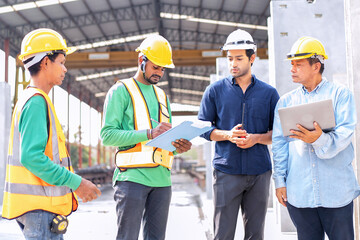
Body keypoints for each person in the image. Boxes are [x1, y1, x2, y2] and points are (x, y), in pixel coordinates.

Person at [2, 28, 101, 239]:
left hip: (38, 209)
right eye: (62, 62)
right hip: (40, 211)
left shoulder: (33, 99)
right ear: (46, 62)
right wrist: (77, 183)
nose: (65, 69)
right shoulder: (36, 102)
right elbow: (32, 158)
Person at [100, 34, 192, 240]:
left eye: (163, 69)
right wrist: (148, 133)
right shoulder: (120, 91)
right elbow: (107, 136)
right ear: (141, 60)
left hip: (162, 181)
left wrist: (179, 145)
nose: (159, 73)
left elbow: (165, 139)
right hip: (131, 179)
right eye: (155, 67)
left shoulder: (162, 96)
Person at [272, 36, 360, 240]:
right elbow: (279, 145)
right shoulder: (285, 102)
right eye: (291, 64)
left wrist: (318, 139)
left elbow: (345, 133)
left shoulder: (341, 95)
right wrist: (279, 181)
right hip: (300, 194)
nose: (292, 69)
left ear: (316, 66)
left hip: (336, 193)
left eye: (298, 64)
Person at [198, 29, 280, 240]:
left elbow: (277, 133)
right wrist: (228, 135)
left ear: (252, 58)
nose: (233, 63)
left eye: (239, 58)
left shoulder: (269, 94)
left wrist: (256, 139)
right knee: (223, 234)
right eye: (230, 58)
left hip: (259, 172)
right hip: (227, 172)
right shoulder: (214, 91)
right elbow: (203, 130)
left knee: (255, 235)